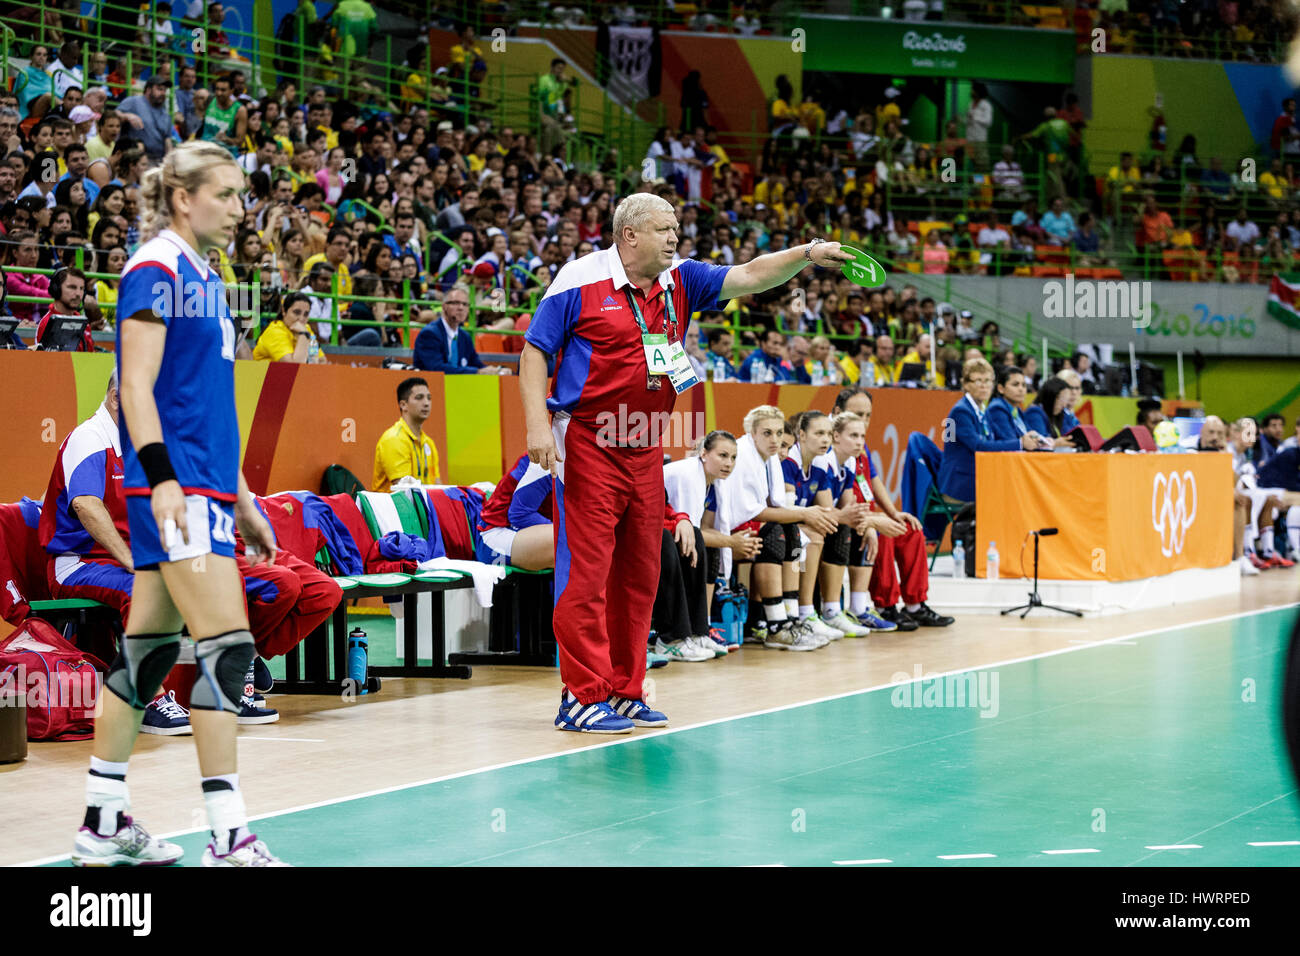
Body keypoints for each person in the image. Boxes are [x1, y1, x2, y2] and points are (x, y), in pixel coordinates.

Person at [520, 194, 853, 729]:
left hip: (646, 447)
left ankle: (624, 690)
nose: (676, 237)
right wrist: (538, 425)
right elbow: (534, 350)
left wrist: (808, 253)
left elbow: (748, 275)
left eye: (677, 227)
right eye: (664, 229)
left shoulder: (682, 279)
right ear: (629, 235)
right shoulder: (578, 280)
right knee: (586, 576)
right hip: (588, 443)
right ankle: (580, 697)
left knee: (640, 574)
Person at [74, 140, 286, 867]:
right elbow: (135, 386)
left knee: (148, 654)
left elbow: (204, 407)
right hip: (176, 491)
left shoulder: (207, 277)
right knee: (229, 653)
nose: (238, 207)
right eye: (224, 194)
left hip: (206, 488)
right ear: (181, 199)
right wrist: (164, 479)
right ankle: (228, 837)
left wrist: (244, 496)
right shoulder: (155, 268)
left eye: (239, 194)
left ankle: (102, 821)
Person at [37, 372, 190, 734]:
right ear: (118, 397)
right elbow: (87, 506)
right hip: (76, 564)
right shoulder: (89, 439)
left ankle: (247, 661)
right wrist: (132, 561)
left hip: (117, 564)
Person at [833, 388, 952, 629]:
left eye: (867, 415)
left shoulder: (857, 439)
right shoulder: (830, 440)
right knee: (883, 533)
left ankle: (915, 605)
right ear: (837, 412)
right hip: (844, 516)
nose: (864, 421)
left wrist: (892, 513)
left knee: (909, 530)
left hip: (867, 513)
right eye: (857, 414)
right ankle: (885, 606)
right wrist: (872, 521)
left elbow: (873, 479)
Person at [665, 430, 761, 658]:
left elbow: (704, 529)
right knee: (694, 546)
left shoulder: (715, 483)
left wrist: (730, 542)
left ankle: (700, 630)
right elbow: (687, 532)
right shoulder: (688, 476)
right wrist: (731, 542)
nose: (729, 463)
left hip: (676, 534)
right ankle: (676, 635)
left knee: (710, 548)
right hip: (657, 537)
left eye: (733, 457)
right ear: (704, 453)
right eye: (723, 455)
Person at [939, 358, 1041, 504]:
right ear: (966, 385)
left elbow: (995, 441)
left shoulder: (981, 409)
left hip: (978, 477)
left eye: (988, 381)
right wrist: (1020, 443)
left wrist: (1025, 438)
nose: (984, 386)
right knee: (1015, 498)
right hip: (961, 483)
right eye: (978, 381)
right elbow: (980, 447)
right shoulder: (961, 411)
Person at [475, 453, 557, 571]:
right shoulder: (547, 458)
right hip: (498, 537)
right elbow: (520, 515)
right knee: (575, 538)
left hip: (534, 535)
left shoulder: (586, 463)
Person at [411, 282, 509, 374]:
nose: (461, 308)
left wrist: (497, 370)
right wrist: (476, 372)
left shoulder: (464, 336)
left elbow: (476, 365)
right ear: (444, 306)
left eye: (465, 304)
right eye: (456, 303)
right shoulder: (429, 334)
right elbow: (437, 369)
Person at [373, 376, 440, 491]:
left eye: (429, 398)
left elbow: (438, 485)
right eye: (419, 398)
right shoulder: (394, 439)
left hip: (422, 505)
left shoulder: (428, 443)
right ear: (403, 405)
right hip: (393, 507)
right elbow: (405, 492)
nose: (426, 403)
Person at [253, 291, 326, 363]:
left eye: (306, 314)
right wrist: (303, 334)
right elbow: (294, 367)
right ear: (284, 311)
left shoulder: (306, 328)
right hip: (261, 374)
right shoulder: (275, 332)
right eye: (296, 312)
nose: (301, 319)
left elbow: (321, 361)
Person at [116, 75, 174, 161]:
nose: (163, 93)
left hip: (158, 159)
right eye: (159, 89)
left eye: (165, 90)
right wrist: (127, 116)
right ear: (148, 90)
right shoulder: (134, 101)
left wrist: (169, 160)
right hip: (135, 158)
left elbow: (167, 140)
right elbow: (114, 114)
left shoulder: (165, 114)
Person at [1023, 377, 1076, 448]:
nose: (1064, 404)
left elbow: (1071, 434)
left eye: (1066, 400)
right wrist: (1056, 443)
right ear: (1051, 396)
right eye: (1061, 399)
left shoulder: (1061, 413)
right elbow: (1040, 442)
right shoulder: (1034, 413)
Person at [986, 364, 1034, 441]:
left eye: (1024, 385)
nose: (1021, 389)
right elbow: (1010, 441)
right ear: (1001, 388)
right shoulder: (997, 409)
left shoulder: (1017, 410)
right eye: (1015, 385)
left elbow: (1029, 434)